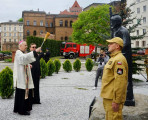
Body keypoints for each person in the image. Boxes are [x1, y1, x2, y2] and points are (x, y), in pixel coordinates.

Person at [100, 37, 128, 120]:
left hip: (113, 98)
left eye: (111, 43)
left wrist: (117, 101)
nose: (108, 45)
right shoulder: (113, 58)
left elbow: (120, 82)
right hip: (108, 96)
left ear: (117, 46)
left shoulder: (119, 59)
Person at [13, 41, 41, 115]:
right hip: (21, 77)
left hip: (23, 76)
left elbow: (24, 61)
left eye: (26, 45)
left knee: (21, 94)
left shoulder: (21, 53)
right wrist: (35, 52)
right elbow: (22, 59)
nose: (26, 46)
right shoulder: (18, 52)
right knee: (22, 94)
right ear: (20, 46)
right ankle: (22, 111)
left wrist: (29, 65)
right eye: (25, 45)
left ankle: (19, 108)